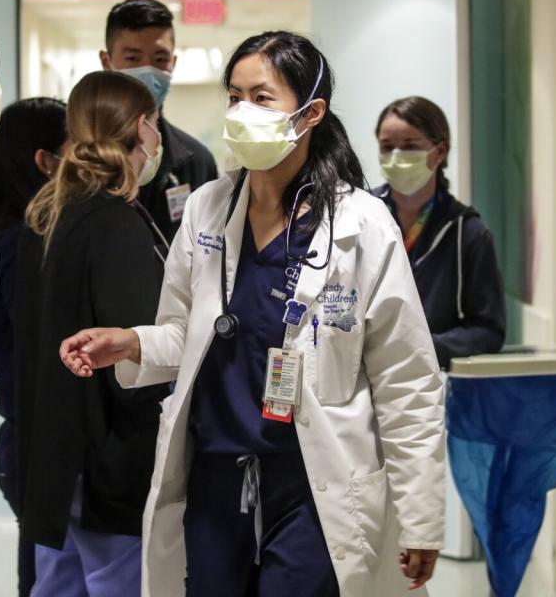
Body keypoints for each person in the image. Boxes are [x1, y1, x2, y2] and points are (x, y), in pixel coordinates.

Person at [61, 31, 446, 597]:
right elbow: (184, 332)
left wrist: (421, 513)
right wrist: (131, 343)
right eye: (234, 97)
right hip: (216, 476)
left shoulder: (363, 225)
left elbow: (407, 380)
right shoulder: (207, 208)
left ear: (310, 113)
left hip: (315, 484)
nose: (243, 112)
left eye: (262, 98)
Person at [17, 71, 170, 597]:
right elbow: (136, 351)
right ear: (142, 128)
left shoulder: (51, 215)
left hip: (59, 460)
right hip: (110, 459)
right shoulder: (115, 223)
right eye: (154, 125)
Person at [0, 97, 68, 597]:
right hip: (35, 446)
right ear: (46, 162)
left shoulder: (12, 234)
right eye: (76, 150)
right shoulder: (23, 243)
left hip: (28, 444)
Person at [372, 97, 505, 369]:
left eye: (410, 147)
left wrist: (426, 348)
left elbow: (489, 330)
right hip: (366, 379)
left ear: (439, 152)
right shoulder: (361, 219)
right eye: (387, 147)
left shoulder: (467, 233)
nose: (396, 156)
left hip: (435, 383)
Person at [100, 0, 218, 241]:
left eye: (160, 60)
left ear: (173, 63)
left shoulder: (197, 161)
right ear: (106, 62)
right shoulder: (78, 157)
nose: (149, 70)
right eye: (133, 59)